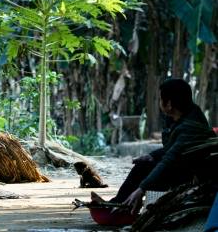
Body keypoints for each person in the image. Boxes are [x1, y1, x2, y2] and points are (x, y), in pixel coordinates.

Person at [91, 78, 217, 215]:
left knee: (143, 168)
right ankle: (119, 203)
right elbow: (176, 148)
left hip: (196, 181)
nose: (159, 102)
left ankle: (120, 206)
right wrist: (152, 155)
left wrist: (141, 189)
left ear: (169, 104)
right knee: (144, 165)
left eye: (160, 99)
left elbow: (170, 159)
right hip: (187, 171)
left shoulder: (189, 127)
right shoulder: (189, 115)